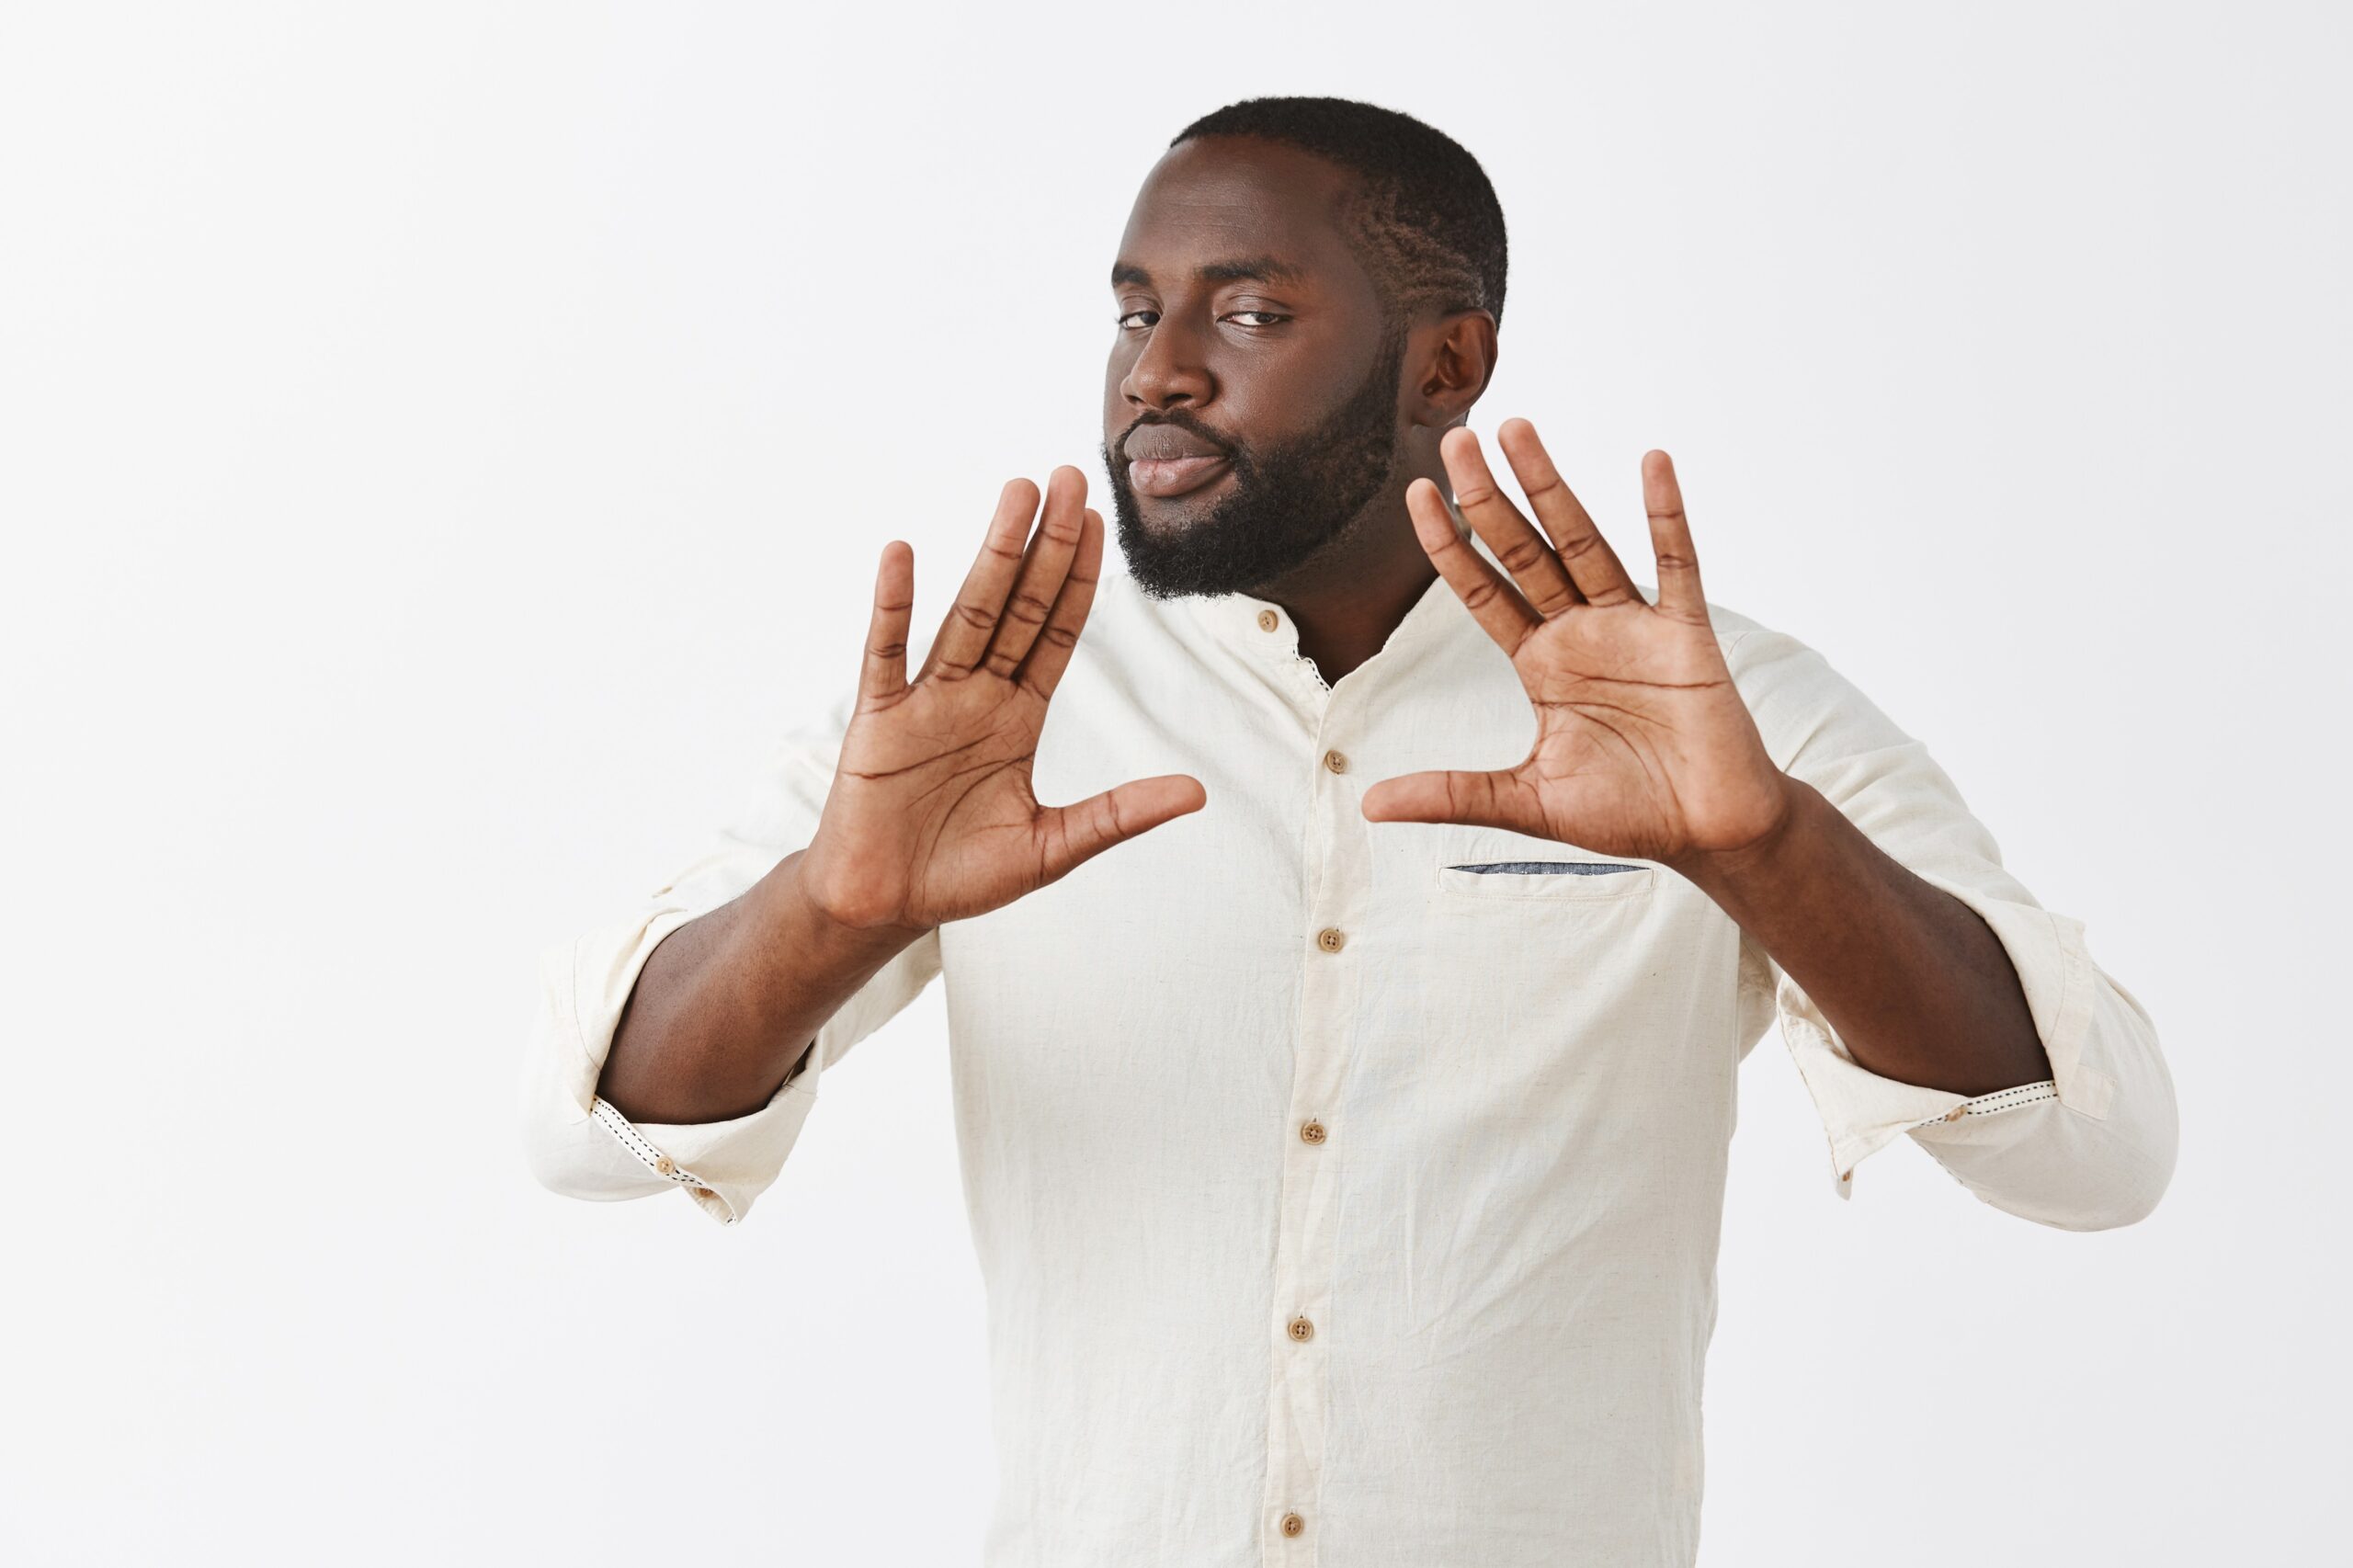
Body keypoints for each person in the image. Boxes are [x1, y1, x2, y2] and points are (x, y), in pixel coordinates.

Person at [521, 96, 2176, 1566]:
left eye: (1248, 310)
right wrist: (834, 906)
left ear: (1445, 367)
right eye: (1133, 310)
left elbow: (2106, 1153)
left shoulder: (1712, 709)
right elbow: (588, 1137)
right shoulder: (981, 717)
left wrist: (1765, 854)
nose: (1158, 369)